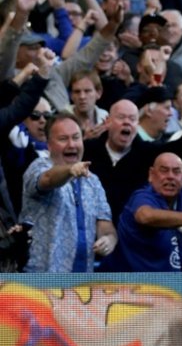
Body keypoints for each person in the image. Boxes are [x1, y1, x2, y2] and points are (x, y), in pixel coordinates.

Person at [20, 112, 117, 272]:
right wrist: (70, 170)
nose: (71, 145)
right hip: (39, 281)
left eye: (76, 137)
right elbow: (48, 179)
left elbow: (105, 224)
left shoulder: (93, 181)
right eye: (63, 139)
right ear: (48, 144)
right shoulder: (38, 167)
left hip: (81, 283)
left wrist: (109, 239)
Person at [102, 150, 182, 272]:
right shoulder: (142, 196)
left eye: (176, 171)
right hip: (132, 285)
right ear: (151, 174)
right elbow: (145, 216)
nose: (170, 176)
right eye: (164, 170)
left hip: (178, 285)